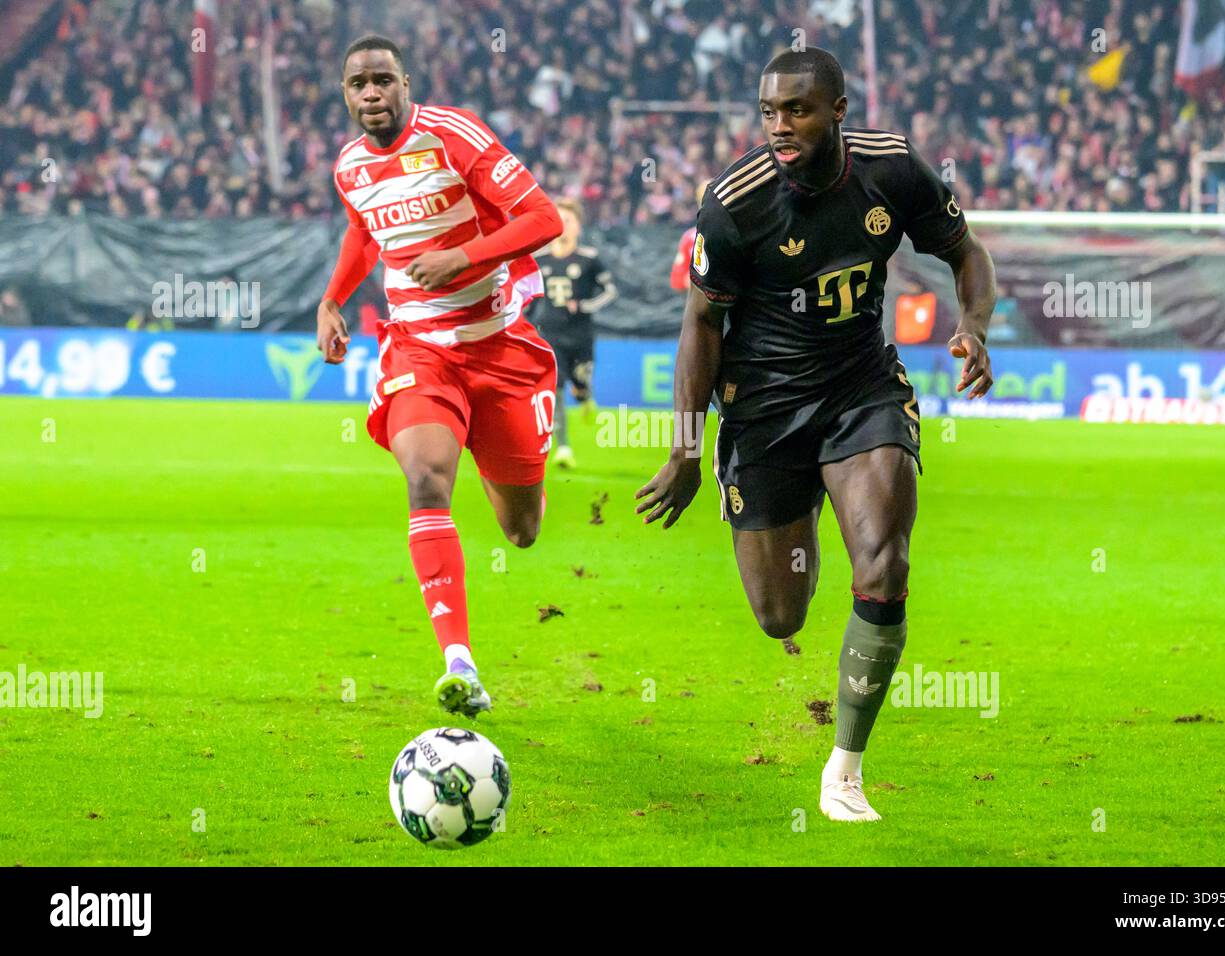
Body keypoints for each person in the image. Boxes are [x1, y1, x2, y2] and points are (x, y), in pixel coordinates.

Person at [636, 47, 996, 822]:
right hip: (763, 409)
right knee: (781, 617)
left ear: (837, 109)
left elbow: (966, 253)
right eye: (769, 112)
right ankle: (811, 503)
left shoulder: (893, 169)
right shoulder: (734, 204)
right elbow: (699, 324)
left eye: (796, 110)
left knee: (886, 560)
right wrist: (687, 451)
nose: (779, 126)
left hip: (859, 385)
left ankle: (844, 769)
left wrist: (973, 324)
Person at [316, 35, 563, 716]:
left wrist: (465, 257)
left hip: (499, 348)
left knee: (522, 530)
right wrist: (334, 298)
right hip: (419, 350)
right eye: (357, 83)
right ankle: (459, 661)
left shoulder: (453, 134)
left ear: (405, 84)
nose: (370, 94)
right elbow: (366, 233)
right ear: (345, 93)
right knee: (425, 480)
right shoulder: (349, 168)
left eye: (381, 81)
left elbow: (542, 218)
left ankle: (497, 457)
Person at [530, 198, 617, 468]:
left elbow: (611, 291)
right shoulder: (539, 259)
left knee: (579, 385)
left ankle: (585, 395)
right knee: (554, 388)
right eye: (559, 220)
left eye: (568, 221)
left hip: (580, 335)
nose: (563, 226)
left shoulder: (589, 260)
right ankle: (563, 448)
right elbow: (528, 296)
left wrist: (585, 306)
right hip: (550, 334)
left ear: (578, 226)